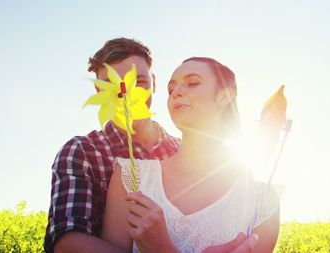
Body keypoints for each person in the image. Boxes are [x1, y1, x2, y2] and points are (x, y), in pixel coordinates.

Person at [101, 57, 280, 253]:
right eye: (170, 89)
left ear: (224, 96)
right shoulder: (131, 176)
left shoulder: (262, 202)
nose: (176, 92)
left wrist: (163, 249)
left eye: (192, 83)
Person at [44, 38, 180, 253]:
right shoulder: (81, 151)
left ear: (153, 82)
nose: (126, 94)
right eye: (113, 86)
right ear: (99, 91)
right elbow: (67, 241)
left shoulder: (181, 150)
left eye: (140, 82)